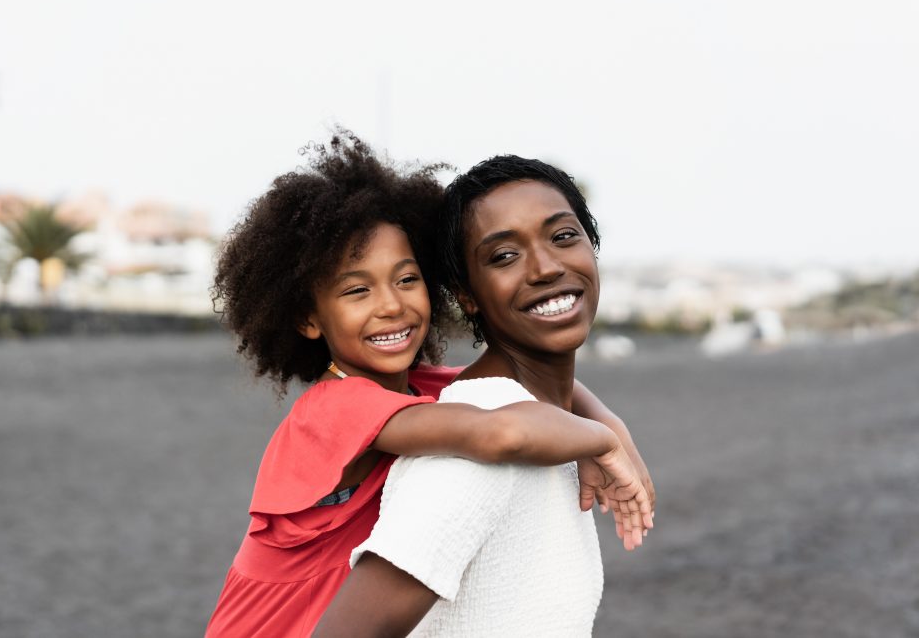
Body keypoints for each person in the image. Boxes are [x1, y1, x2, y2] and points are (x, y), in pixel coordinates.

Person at [204, 134, 651, 637]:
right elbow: (499, 432)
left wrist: (606, 419)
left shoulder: (420, 392)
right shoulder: (333, 409)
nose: (391, 305)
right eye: (357, 290)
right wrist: (602, 441)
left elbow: (530, 397)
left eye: (407, 279)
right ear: (309, 319)